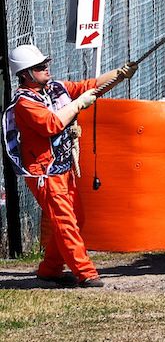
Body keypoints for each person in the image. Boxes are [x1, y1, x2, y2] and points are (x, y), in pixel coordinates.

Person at [7, 44, 134, 286]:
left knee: (76, 217)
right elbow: (51, 125)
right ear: (25, 74)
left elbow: (91, 86)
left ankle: (50, 269)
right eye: (39, 67)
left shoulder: (55, 88)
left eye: (45, 64)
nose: (46, 68)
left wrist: (120, 73)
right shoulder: (25, 103)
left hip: (62, 167)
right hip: (44, 172)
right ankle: (86, 273)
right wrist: (77, 105)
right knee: (65, 221)